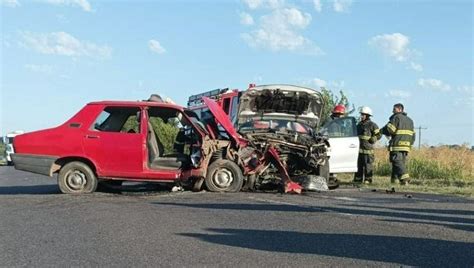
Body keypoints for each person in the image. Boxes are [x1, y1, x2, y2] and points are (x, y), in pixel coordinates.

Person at [381, 103, 415, 185]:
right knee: (399, 162)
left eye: (394, 109)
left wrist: (382, 131)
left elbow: (390, 130)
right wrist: (410, 144)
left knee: (396, 161)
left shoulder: (396, 117)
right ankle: (394, 181)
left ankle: (405, 179)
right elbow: (413, 135)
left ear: (400, 109)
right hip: (406, 145)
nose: (392, 111)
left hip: (397, 144)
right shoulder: (410, 120)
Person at [353, 106, 382, 184]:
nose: (361, 116)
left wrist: (374, 138)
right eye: (361, 114)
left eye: (363, 114)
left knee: (368, 166)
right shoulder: (359, 125)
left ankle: (368, 180)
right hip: (359, 151)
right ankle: (358, 180)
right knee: (359, 166)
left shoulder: (372, 125)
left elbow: (379, 134)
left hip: (368, 151)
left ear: (368, 116)